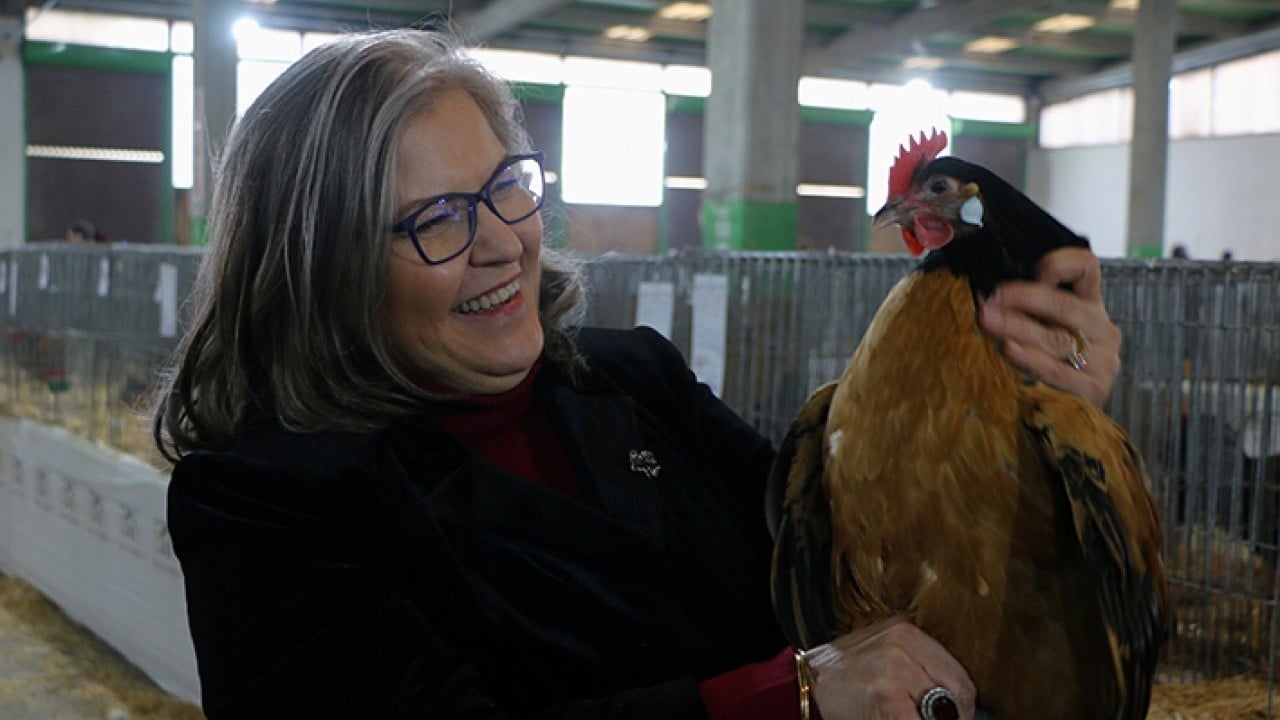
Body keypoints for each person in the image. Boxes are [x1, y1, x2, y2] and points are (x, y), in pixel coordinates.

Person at [152, 28, 1123, 720]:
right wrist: (783, 697)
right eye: (437, 218)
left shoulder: (632, 379)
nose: (501, 243)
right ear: (321, 265)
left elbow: (852, 548)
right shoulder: (264, 501)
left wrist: (1025, 416)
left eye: (506, 187)